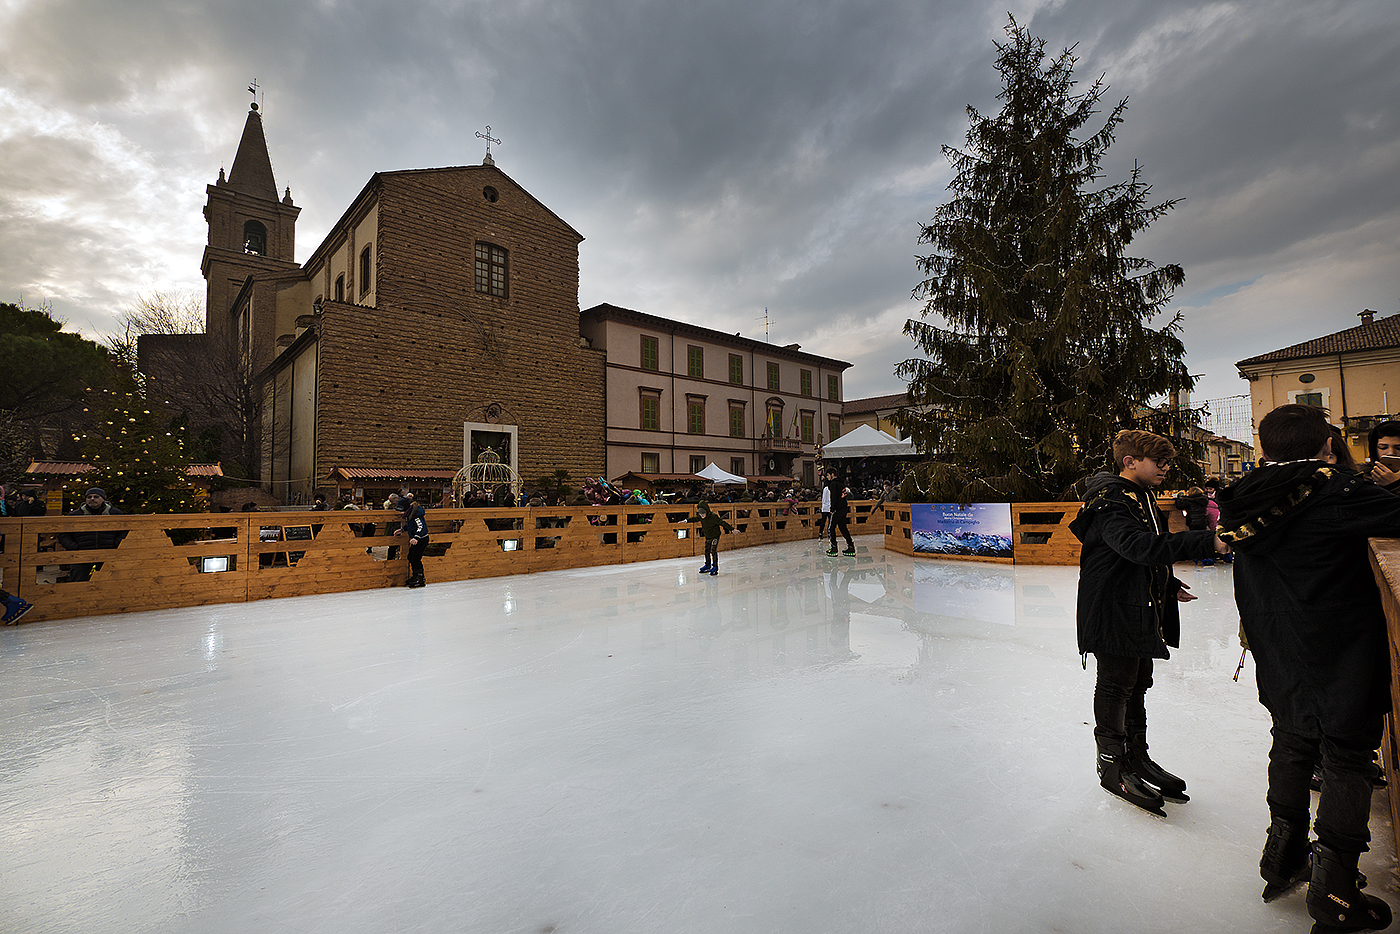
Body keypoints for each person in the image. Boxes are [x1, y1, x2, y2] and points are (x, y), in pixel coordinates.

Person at [1219, 404, 1400, 928]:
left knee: (1294, 739)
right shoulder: (1336, 491)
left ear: (1263, 451)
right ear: (1325, 447)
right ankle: (1336, 890)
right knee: (1345, 754)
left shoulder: (1240, 497)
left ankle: (1283, 857)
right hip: (1337, 647)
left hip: (1276, 644)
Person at [1069, 430, 1226, 815]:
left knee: (1137, 682)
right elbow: (1136, 547)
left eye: (1168, 462)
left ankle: (1136, 757)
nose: (1166, 469)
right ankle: (1111, 765)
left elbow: (1135, 553)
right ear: (1130, 462)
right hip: (1112, 607)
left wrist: (1167, 583)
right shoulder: (1110, 501)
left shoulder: (1142, 496)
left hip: (1139, 602)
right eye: (1160, 462)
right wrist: (1207, 541)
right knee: (1116, 683)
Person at [57, 488, 127, 582]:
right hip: (82, 554)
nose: (92, 499)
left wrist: (116, 544)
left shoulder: (114, 514)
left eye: (96, 497)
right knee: (77, 582)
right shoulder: (76, 515)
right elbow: (63, 533)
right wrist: (73, 546)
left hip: (108, 554)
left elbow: (125, 531)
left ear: (103, 499)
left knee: (109, 582)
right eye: (89, 497)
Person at [393, 497, 429, 588]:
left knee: (415, 558)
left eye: (401, 511)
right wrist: (402, 530)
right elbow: (410, 525)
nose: (400, 513)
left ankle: (420, 578)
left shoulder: (416, 514)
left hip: (421, 539)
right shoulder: (409, 514)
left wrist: (416, 537)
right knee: (411, 557)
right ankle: (415, 576)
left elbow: (421, 527)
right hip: (416, 539)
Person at [688, 502, 733, 576]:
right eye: (700, 514)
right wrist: (686, 520)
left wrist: (732, 529)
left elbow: (722, 523)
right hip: (708, 536)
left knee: (713, 550)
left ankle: (715, 566)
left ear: (706, 512)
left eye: (703, 514)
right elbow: (694, 519)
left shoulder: (713, 516)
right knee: (706, 550)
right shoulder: (700, 517)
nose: (702, 516)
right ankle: (708, 564)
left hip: (715, 536)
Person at [824, 469, 854, 556]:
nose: (827, 477)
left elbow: (834, 497)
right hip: (843, 508)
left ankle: (834, 547)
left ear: (832, 474)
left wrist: (832, 509)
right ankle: (851, 546)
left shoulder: (833, 484)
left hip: (837, 509)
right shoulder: (841, 484)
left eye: (828, 475)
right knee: (843, 528)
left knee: (831, 528)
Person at [1365, 420, 1400, 491]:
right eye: (1383, 448)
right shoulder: (1363, 476)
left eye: (1399, 448)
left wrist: (1395, 485)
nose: (1391, 453)